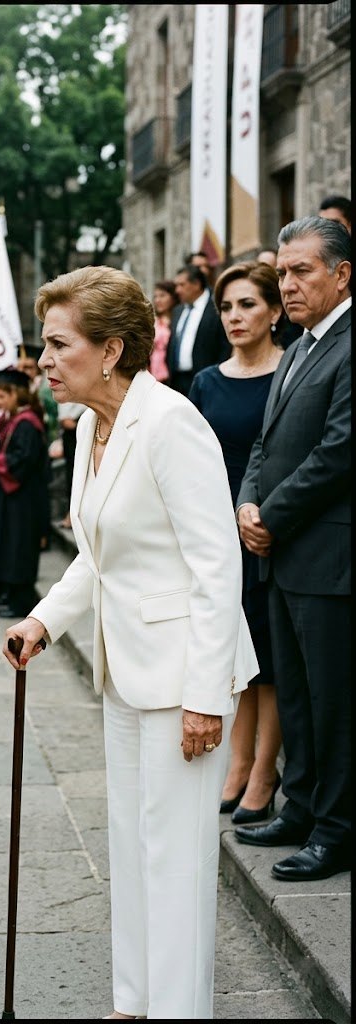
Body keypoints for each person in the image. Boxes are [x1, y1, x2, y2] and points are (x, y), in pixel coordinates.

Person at [2, 264, 258, 1020]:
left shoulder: (171, 422)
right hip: (124, 670)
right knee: (131, 845)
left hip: (184, 675)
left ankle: (178, 1011)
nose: (42, 361)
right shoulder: (88, 426)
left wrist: (206, 698)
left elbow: (217, 567)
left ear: (110, 349)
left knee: (176, 861)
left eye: (56, 344)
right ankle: (133, 1001)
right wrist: (43, 620)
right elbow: (97, 553)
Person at [234, 216, 351, 882]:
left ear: (341, 273)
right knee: (297, 694)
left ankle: (336, 831)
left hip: (326, 558)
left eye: (301, 270)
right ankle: (299, 806)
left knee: (332, 700)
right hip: (279, 551)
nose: (287, 283)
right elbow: (264, 443)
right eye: (280, 271)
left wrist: (270, 516)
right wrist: (248, 504)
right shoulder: (302, 345)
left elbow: (336, 452)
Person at [189, 262, 285, 826]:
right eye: (226, 307)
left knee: (270, 658)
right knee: (237, 653)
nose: (234, 317)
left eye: (247, 304)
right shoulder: (206, 381)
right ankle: (238, 759)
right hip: (217, 533)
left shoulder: (289, 370)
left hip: (268, 530)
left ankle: (265, 770)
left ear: (274, 311)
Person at [0, 368, 48, 618]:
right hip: (18, 496)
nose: (0, 403)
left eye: (4, 397)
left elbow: (23, 459)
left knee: (20, 547)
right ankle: (15, 596)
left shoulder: (27, 423)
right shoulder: (20, 420)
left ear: (16, 395)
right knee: (14, 545)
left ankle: (23, 602)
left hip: (26, 497)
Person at [166, 264, 231, 395]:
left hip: (208, 382)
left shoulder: (217, 307)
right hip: (177, 382)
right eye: (176, 285)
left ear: (196, 284)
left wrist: (217, 376)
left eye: (181, 285)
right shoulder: (178, 311)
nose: (177, 290)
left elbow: (225, 345)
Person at [55, 400, 85, 527]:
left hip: (79, 425)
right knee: (72, 474)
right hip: (72, 431)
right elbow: (65, 420)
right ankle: (72, 514)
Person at [149, 278, 177, 383]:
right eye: (155, 297)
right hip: (155, 373)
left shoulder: (179, 320)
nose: (157, 300)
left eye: (162, 296)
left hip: (173, 372)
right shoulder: (154, 322)